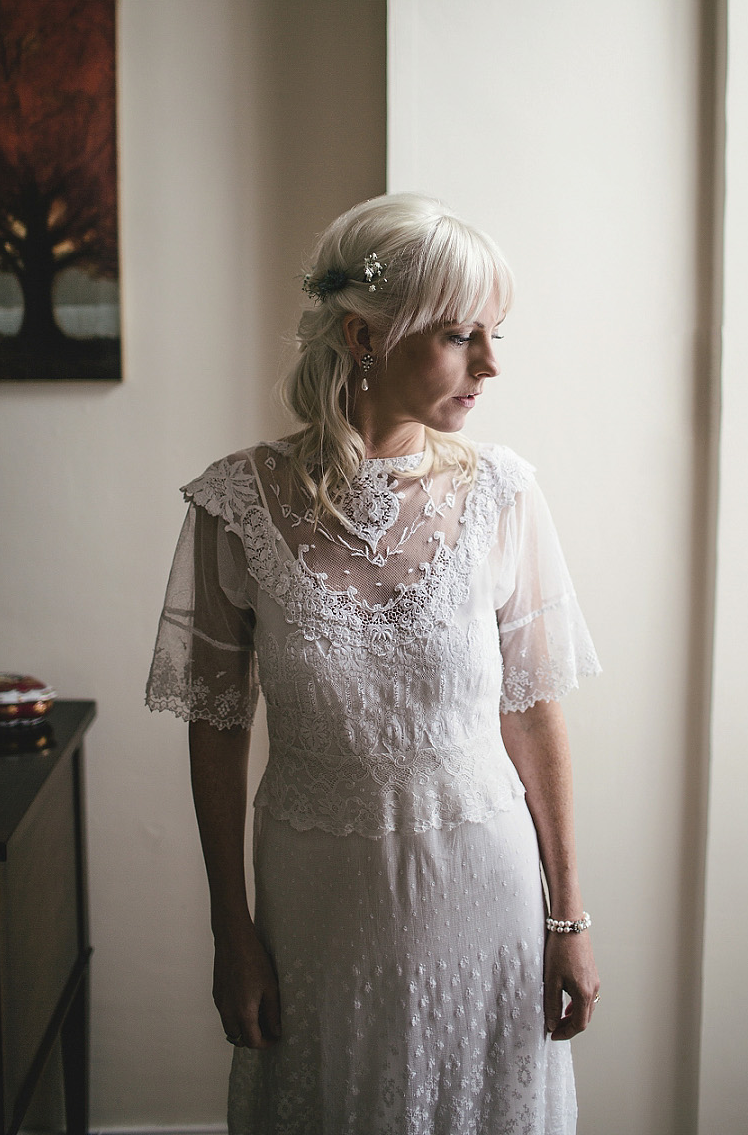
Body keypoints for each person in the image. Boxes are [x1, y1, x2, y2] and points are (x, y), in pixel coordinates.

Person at [146, 192, 601, 1134]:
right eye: (458, 335)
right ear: (365, 336)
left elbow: (532, 710)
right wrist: (231, 933)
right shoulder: (237, 504)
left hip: (486, 893)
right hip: (317, 911)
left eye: (493, 333)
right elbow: (217, 729)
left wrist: (568, 920)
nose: (489, 363)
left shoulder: (502, 494)